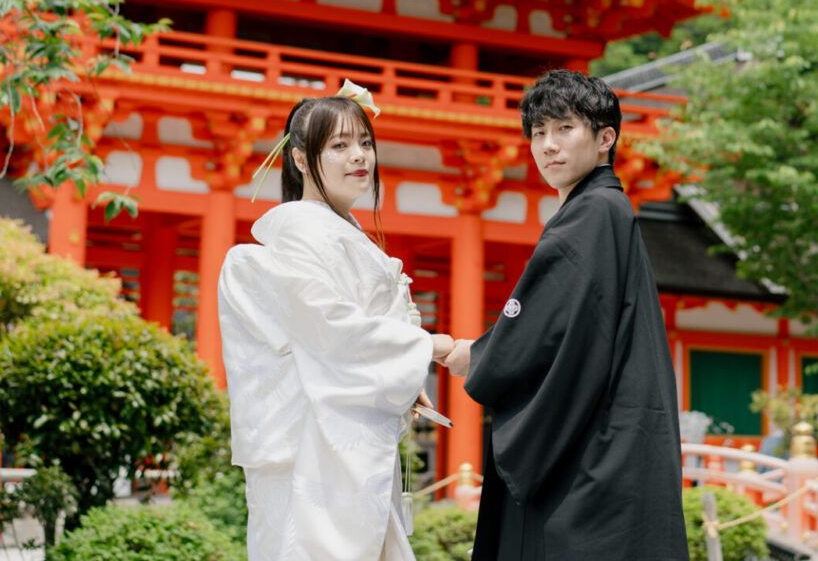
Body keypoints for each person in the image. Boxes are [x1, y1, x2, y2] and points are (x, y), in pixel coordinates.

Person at [442, 69, 687, 560]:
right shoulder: (607, 210)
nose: (548, 146)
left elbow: (541, 331)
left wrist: (468, 352)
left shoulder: (591, 214)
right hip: (618, 447)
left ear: (605, 139)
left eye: (564, 129)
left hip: (593, 461)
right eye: (538, 133)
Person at [218, 83, 454, 560]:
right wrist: (426, 348)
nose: (358, 157)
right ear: (302, 159)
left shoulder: (343, 234)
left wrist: (400, 376)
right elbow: (330, 328)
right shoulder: (304, 231)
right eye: (340, 146)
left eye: (365, 143)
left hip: (347, 437)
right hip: (315, 446)